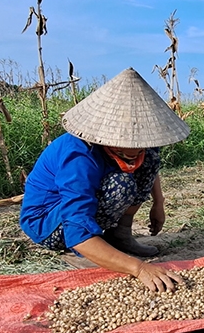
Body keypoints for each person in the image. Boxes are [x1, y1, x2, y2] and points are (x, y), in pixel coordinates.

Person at [20, 68, 189, 291]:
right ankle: (83, 252)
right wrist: (138, 268)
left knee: (150, 158)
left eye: (139, 141)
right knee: (121, 185)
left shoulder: (142, 148)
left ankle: (120, 236)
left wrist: (159, 203)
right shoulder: (79, 156)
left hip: (84, 210)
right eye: (126, 141)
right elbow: (76, 227)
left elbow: (150, 169)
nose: (134, 148)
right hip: (49, 223)